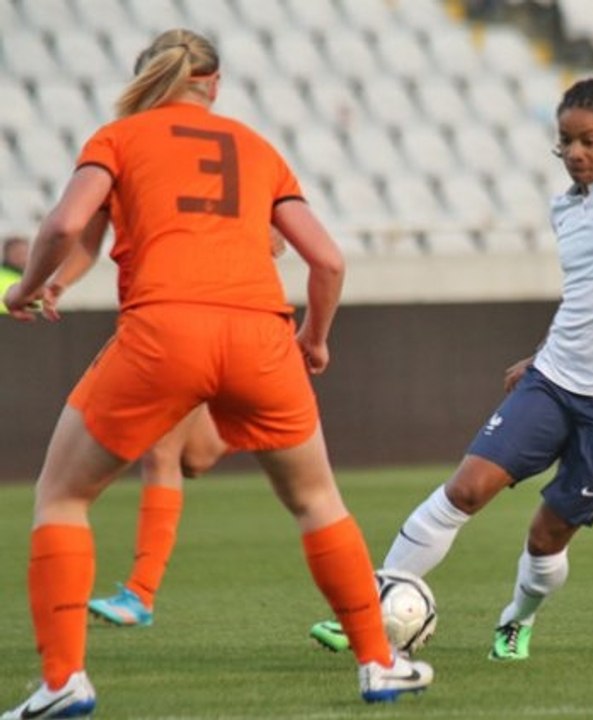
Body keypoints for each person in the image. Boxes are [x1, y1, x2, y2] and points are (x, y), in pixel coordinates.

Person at [1, 29, 431, 719]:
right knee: (318, 500)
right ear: (215, 84)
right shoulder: (256, 147)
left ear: (148, 80)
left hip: (164, 331)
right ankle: (380, 664)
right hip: (261, 335)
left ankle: (63, 682)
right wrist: (313, 340)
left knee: (62, 496)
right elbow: (326, 261)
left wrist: (28, 288)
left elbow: (65, 226)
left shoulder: (119, 136)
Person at [308, 77, 593, 660]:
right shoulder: (565, 207)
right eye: (564, 142)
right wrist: (544, 353)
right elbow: (586, 293)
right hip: (556, 379)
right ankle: (368, 610)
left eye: (588, 140)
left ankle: (517, 619)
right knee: (466, 489)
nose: (574, 153)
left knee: (547, 535)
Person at [42, 222, 283, 628]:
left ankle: (141, 593)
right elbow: (87, 235)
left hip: (185, 320)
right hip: (174, 320)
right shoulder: (146, 175)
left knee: (161, 452)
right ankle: (248, 411)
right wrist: (58, 282)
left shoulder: (172, 173)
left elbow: (275, 237)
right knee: (197, 456)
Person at [0, 235, 29, 315]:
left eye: (24, 253)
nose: (22, 257)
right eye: (17, 253)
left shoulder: (33, 279)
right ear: (6, 253)